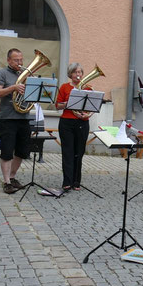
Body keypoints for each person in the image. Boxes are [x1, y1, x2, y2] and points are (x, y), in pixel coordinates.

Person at [0, 48, 32, 194]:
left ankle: (13, 176)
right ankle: (6, 181)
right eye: (16, 60)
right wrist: (14, 87)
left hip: (24, 117)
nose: (20, 63)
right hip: (8, 118)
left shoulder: (26, 74)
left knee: (22, 151)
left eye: (21, 60)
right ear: (9, 60)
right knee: (7, 151)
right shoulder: (2, 73)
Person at [55, 63, 94, 192]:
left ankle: (77, 182)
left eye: (80, 72)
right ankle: (67, 181)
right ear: (70, 74)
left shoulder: (87, 88)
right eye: (75, 72)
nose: (78, 75)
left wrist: (86, 114)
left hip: (82, 122)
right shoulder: (65, 87)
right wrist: (67, 104)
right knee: (67, 152)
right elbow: (57, 105)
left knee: (79, 152)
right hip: (67, 122)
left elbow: (92, 106)